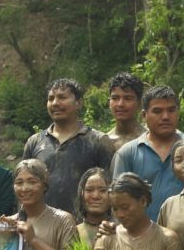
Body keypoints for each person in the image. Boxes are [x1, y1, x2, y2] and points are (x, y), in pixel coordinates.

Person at [112, 86, 184, 221]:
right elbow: (117, 201)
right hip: (141, 231)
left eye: (171, 110)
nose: (165, 117)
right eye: (157, 111)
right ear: (144, 115)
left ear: (178, 112)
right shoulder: (127, 154)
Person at [23, 78, 115, 213]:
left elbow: (112, 189)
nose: (55, 103)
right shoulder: (35, 142)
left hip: (85, 222)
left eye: (62, 97)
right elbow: (23, 186)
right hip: (41, 222)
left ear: (79, 103)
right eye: (51, 98)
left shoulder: (98, 141)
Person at [105, 72, 147, 151]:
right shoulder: (104, 143)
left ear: (140, 103)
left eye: (128, 98)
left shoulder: (151, 139)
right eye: (115, 98)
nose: (120, 104)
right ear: (109, 103)